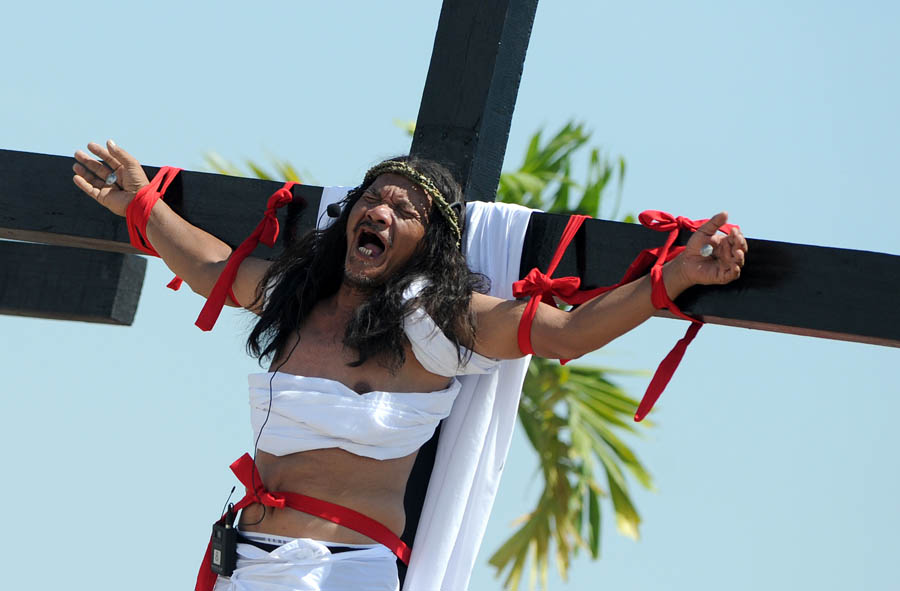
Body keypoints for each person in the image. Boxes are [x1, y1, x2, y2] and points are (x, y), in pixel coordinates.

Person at [72, 139, 748, 591]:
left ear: (428, 247)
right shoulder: (297, 298)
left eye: (407, 210)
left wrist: (676, 276)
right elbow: (208, 265)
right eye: (375, 198)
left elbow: (568, 333)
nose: (383, 211)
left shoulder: (436, 320)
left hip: (343, 573)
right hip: (244, 559)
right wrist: (139, 200)